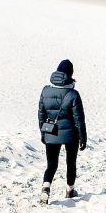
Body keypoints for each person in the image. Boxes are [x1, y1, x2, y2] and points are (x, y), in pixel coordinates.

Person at [38, 59, 87, 204]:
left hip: (50, 133)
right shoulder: (73, 94)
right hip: (71, 135)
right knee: (71, 162)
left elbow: (41, 114)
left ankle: (45, 188)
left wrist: (43, 133)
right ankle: (69, 191)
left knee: (51, 164)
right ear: (70, 74)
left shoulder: (45, 91)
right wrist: (83, 137)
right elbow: (79, 119)